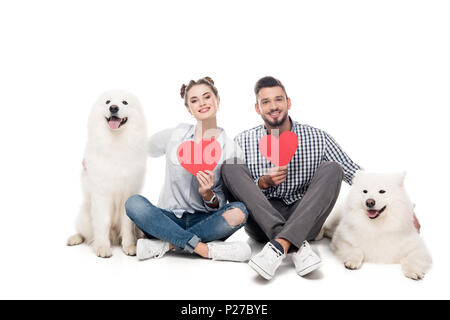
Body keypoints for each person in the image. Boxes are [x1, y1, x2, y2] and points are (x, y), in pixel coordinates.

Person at [221, 76, 362, 280]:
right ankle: (294, 244)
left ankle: (278, 246)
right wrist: (262, 183)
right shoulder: (243, 140)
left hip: (306, 217)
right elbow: (232, 188)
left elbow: (355, 174)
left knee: (333, 168)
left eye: (278, 99)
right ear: (257, 108)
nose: (273, 106)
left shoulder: (317, 137)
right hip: (261, 222)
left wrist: (398, 204)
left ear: (288, 102)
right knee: (230, 167)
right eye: (265, 102)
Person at [125, 77, 251, 262]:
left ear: (218, 100)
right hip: (167, 219)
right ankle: (204, 250)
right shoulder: (174, 135)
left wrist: (207, 194)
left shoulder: (232, 149)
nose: (202, 103)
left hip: (206, 223)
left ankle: (166, 244)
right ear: (189, 109)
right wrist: (100, 157)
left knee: (240, 211)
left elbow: (224, 200)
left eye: (207, 97)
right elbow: (139, 148)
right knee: (134, 203)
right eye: (194, 100)